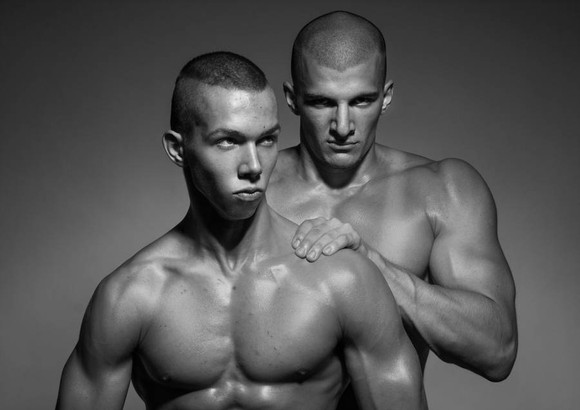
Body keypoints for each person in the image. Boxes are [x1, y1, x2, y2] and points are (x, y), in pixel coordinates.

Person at [55, 51, 426, 410]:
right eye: (228, 141)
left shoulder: (343, 279)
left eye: (266, 140)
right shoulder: (130, 296)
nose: (253, 166)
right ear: (178, 149)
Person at [267, 10, 518, 406]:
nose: (343, 126)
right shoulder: (254, 192)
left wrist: (372, 266)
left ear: (385, 97)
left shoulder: (442, 190)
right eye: (322, 102)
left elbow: (497, 350)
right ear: (292, 98)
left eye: (361, 101)